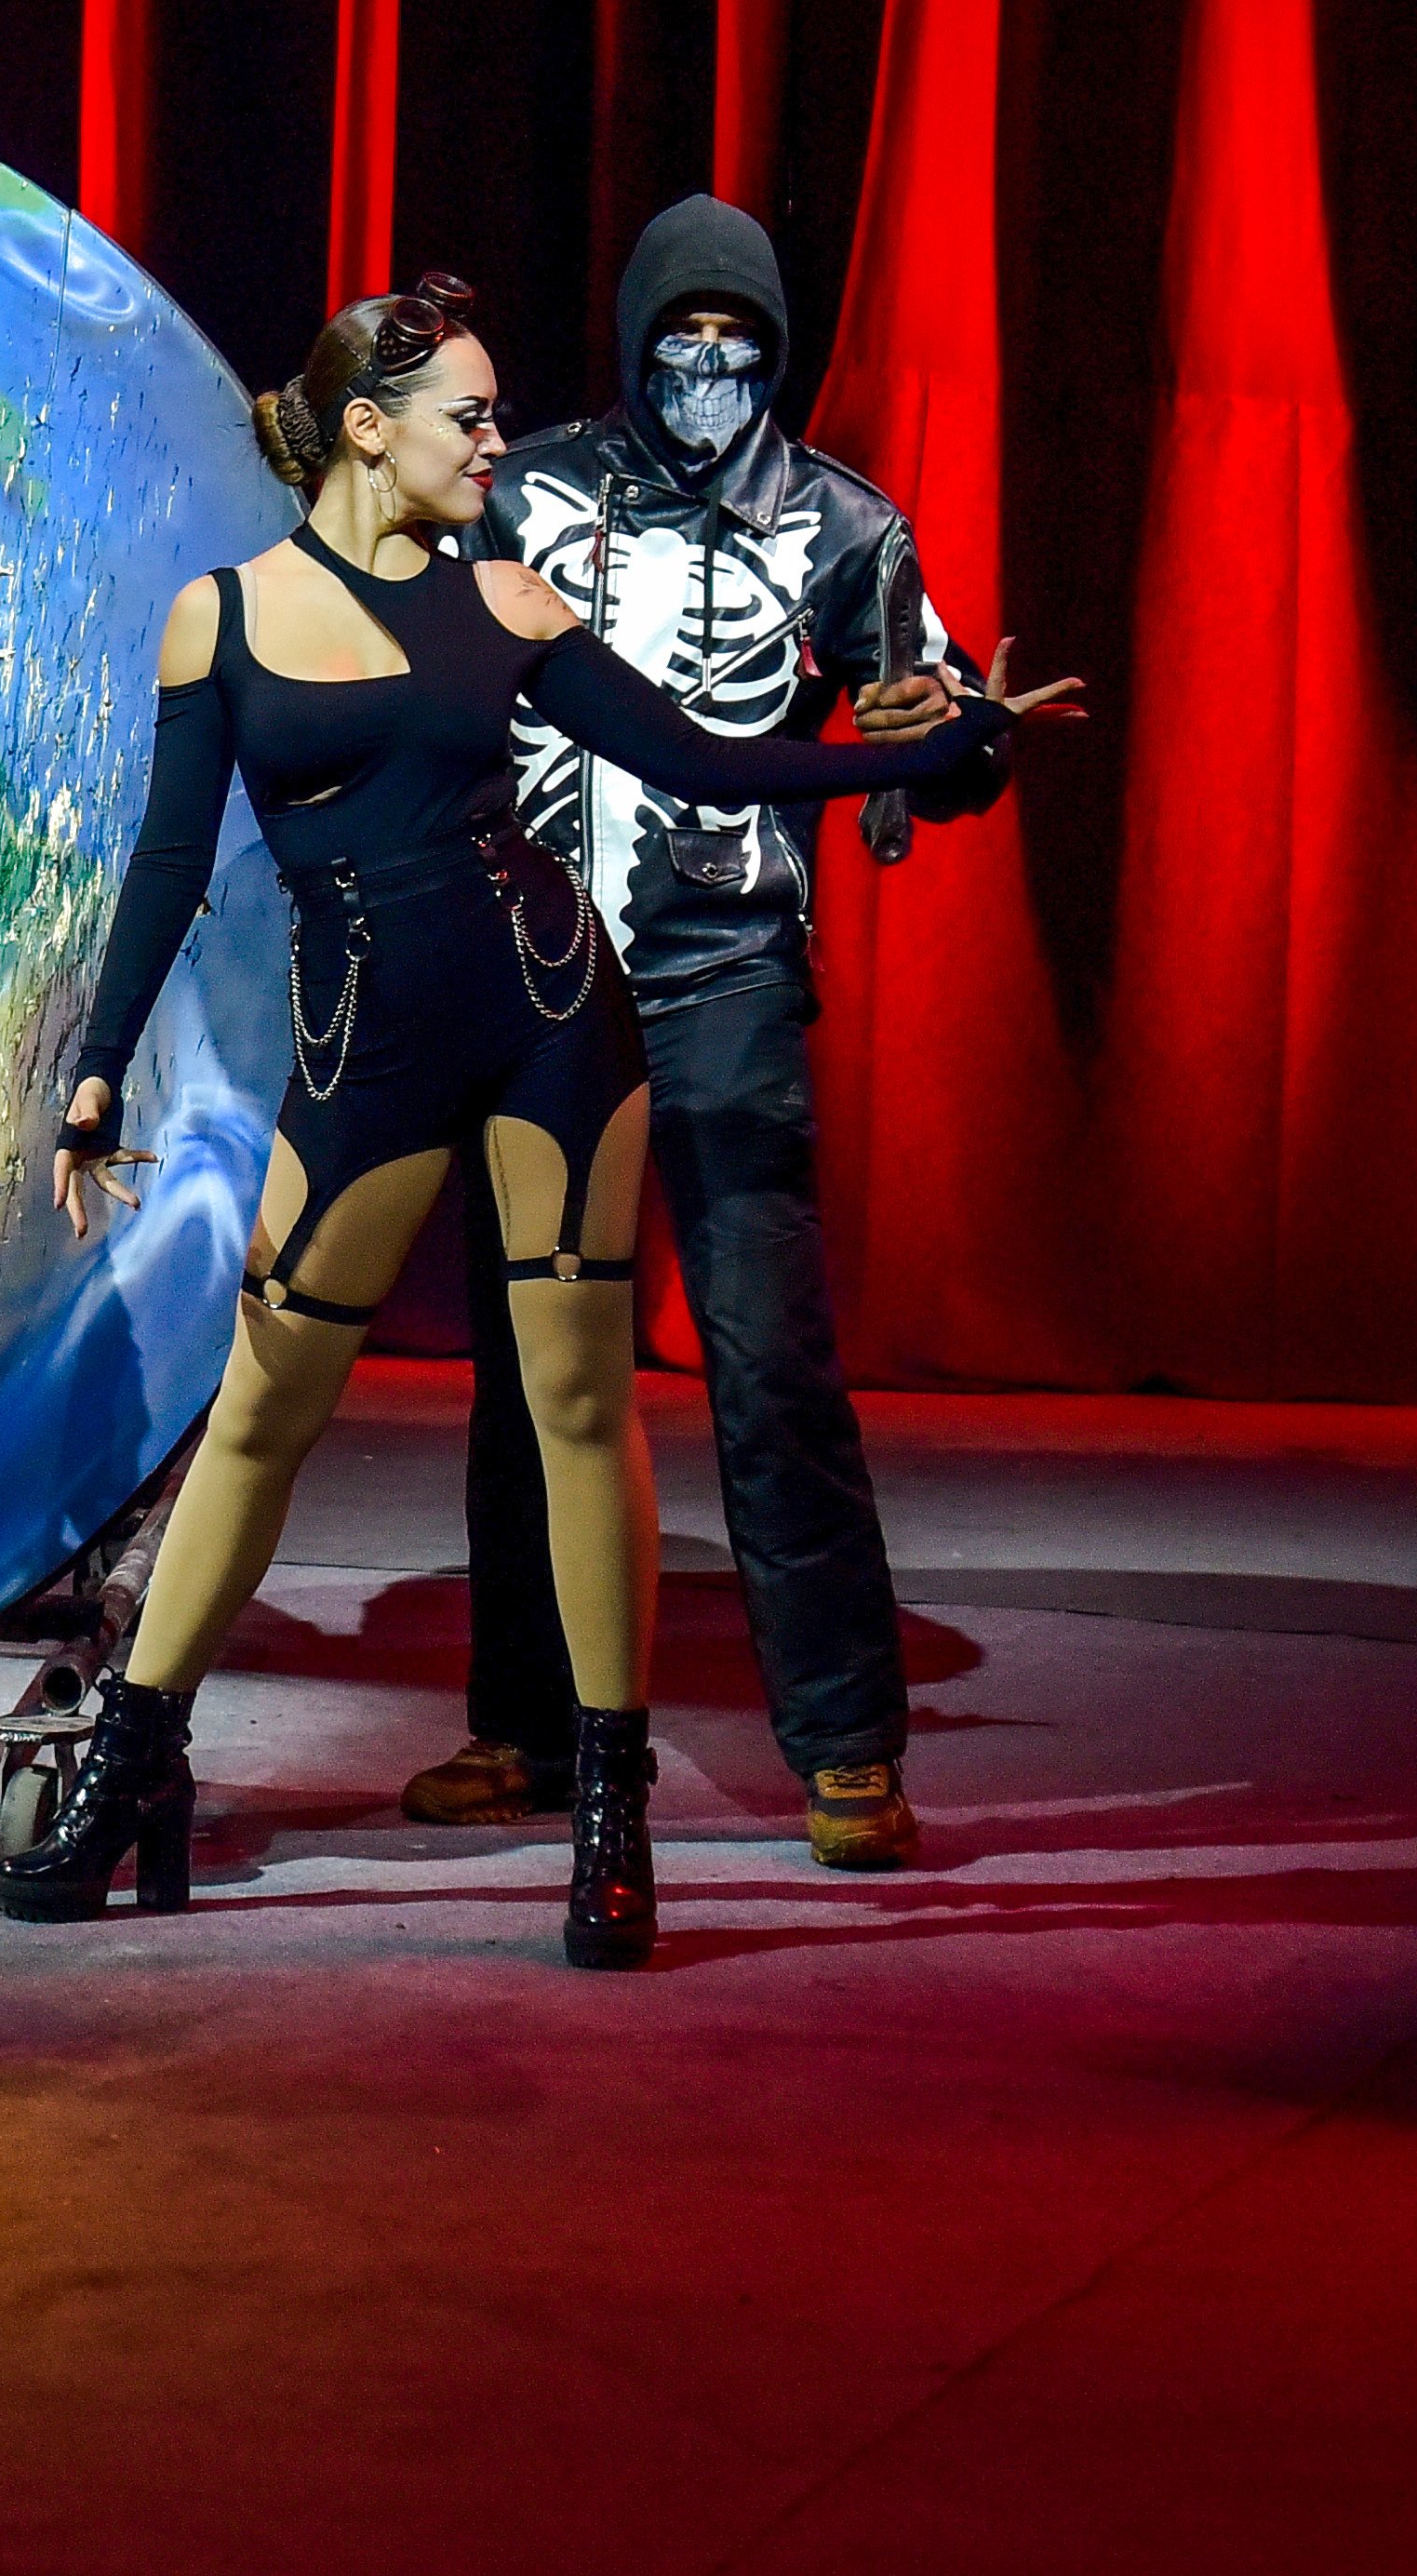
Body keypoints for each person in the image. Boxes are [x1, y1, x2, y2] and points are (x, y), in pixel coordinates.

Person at [28, 276, 1019, 1967]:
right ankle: (129, 1756)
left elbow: (711, 764)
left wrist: (913, 763)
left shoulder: (511, 603)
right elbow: (172, 864)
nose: (501, 440)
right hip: (368, 1047)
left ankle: (611, 1815)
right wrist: (100, 1062)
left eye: (493, 414)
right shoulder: (226, 618)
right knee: (263, 1413)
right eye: (469, 415)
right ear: (369, 427)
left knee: (578, 1406)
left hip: (559, 1017)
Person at [407, 195, 1078, 1869]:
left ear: (773, 353)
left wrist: (962, 739)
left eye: (739, 348)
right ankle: (528, 1720)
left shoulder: (846, 527)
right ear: (635, 344)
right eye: (680, 345)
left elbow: (935, 729)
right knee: (529, 1360)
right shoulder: (530, 487)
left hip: (723, 975)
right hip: (545, 970)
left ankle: (848, 1739)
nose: (708, 373)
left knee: (770, 1361)